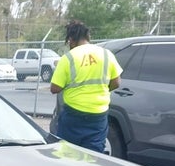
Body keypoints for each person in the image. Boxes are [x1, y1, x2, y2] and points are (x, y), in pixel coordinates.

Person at [49, 20, 122, 153]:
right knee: (93, 154)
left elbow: (55, 88)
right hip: (98, 115)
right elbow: (116, 82)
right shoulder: (106, 54)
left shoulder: (68, 58)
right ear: (88, 37)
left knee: (67, 152)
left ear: (71, 40)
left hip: (73, 114)